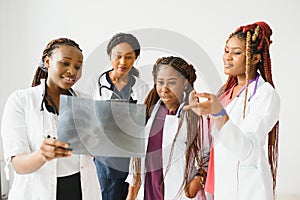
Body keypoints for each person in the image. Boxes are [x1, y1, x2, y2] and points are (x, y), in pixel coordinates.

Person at [185, 21, 280, 199]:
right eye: (226, 50)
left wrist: (219, 112)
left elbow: (246, 148)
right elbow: (216, 133)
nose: (227, 57)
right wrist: (200, 112)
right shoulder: (227, 92)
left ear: (255, 58)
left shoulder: (265, 95)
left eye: (236, 53)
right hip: (219, 178)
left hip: (245, 187)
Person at [1, 38, 102, 200]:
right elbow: (17, 164)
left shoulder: (86, 102)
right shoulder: (21, 100)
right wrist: (42, 155)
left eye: (78, 66)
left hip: (80, 189)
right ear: (47, 61)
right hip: (37, 192)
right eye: (65, 63)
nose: (72, 71)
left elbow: (92, 152)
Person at [126, 56, 211, 200]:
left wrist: (197, 180)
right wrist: (130, 195)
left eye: (171, 82)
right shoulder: (147, 113)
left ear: (185, 83)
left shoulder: (196, 115)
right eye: (160, 82)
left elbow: (207, 156)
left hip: (179, 194)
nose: (164, 89)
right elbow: (136, 160)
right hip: (148, 192)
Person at [91, 32, 149, 200]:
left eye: (129, 57)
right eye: (118, 56)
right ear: (110, 55)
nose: (123, 62)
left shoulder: (142, 87)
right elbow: (86, 119)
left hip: (130, 158)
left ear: (135, 58)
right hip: (104, 158)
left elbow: (144, 124)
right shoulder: (96, 83)